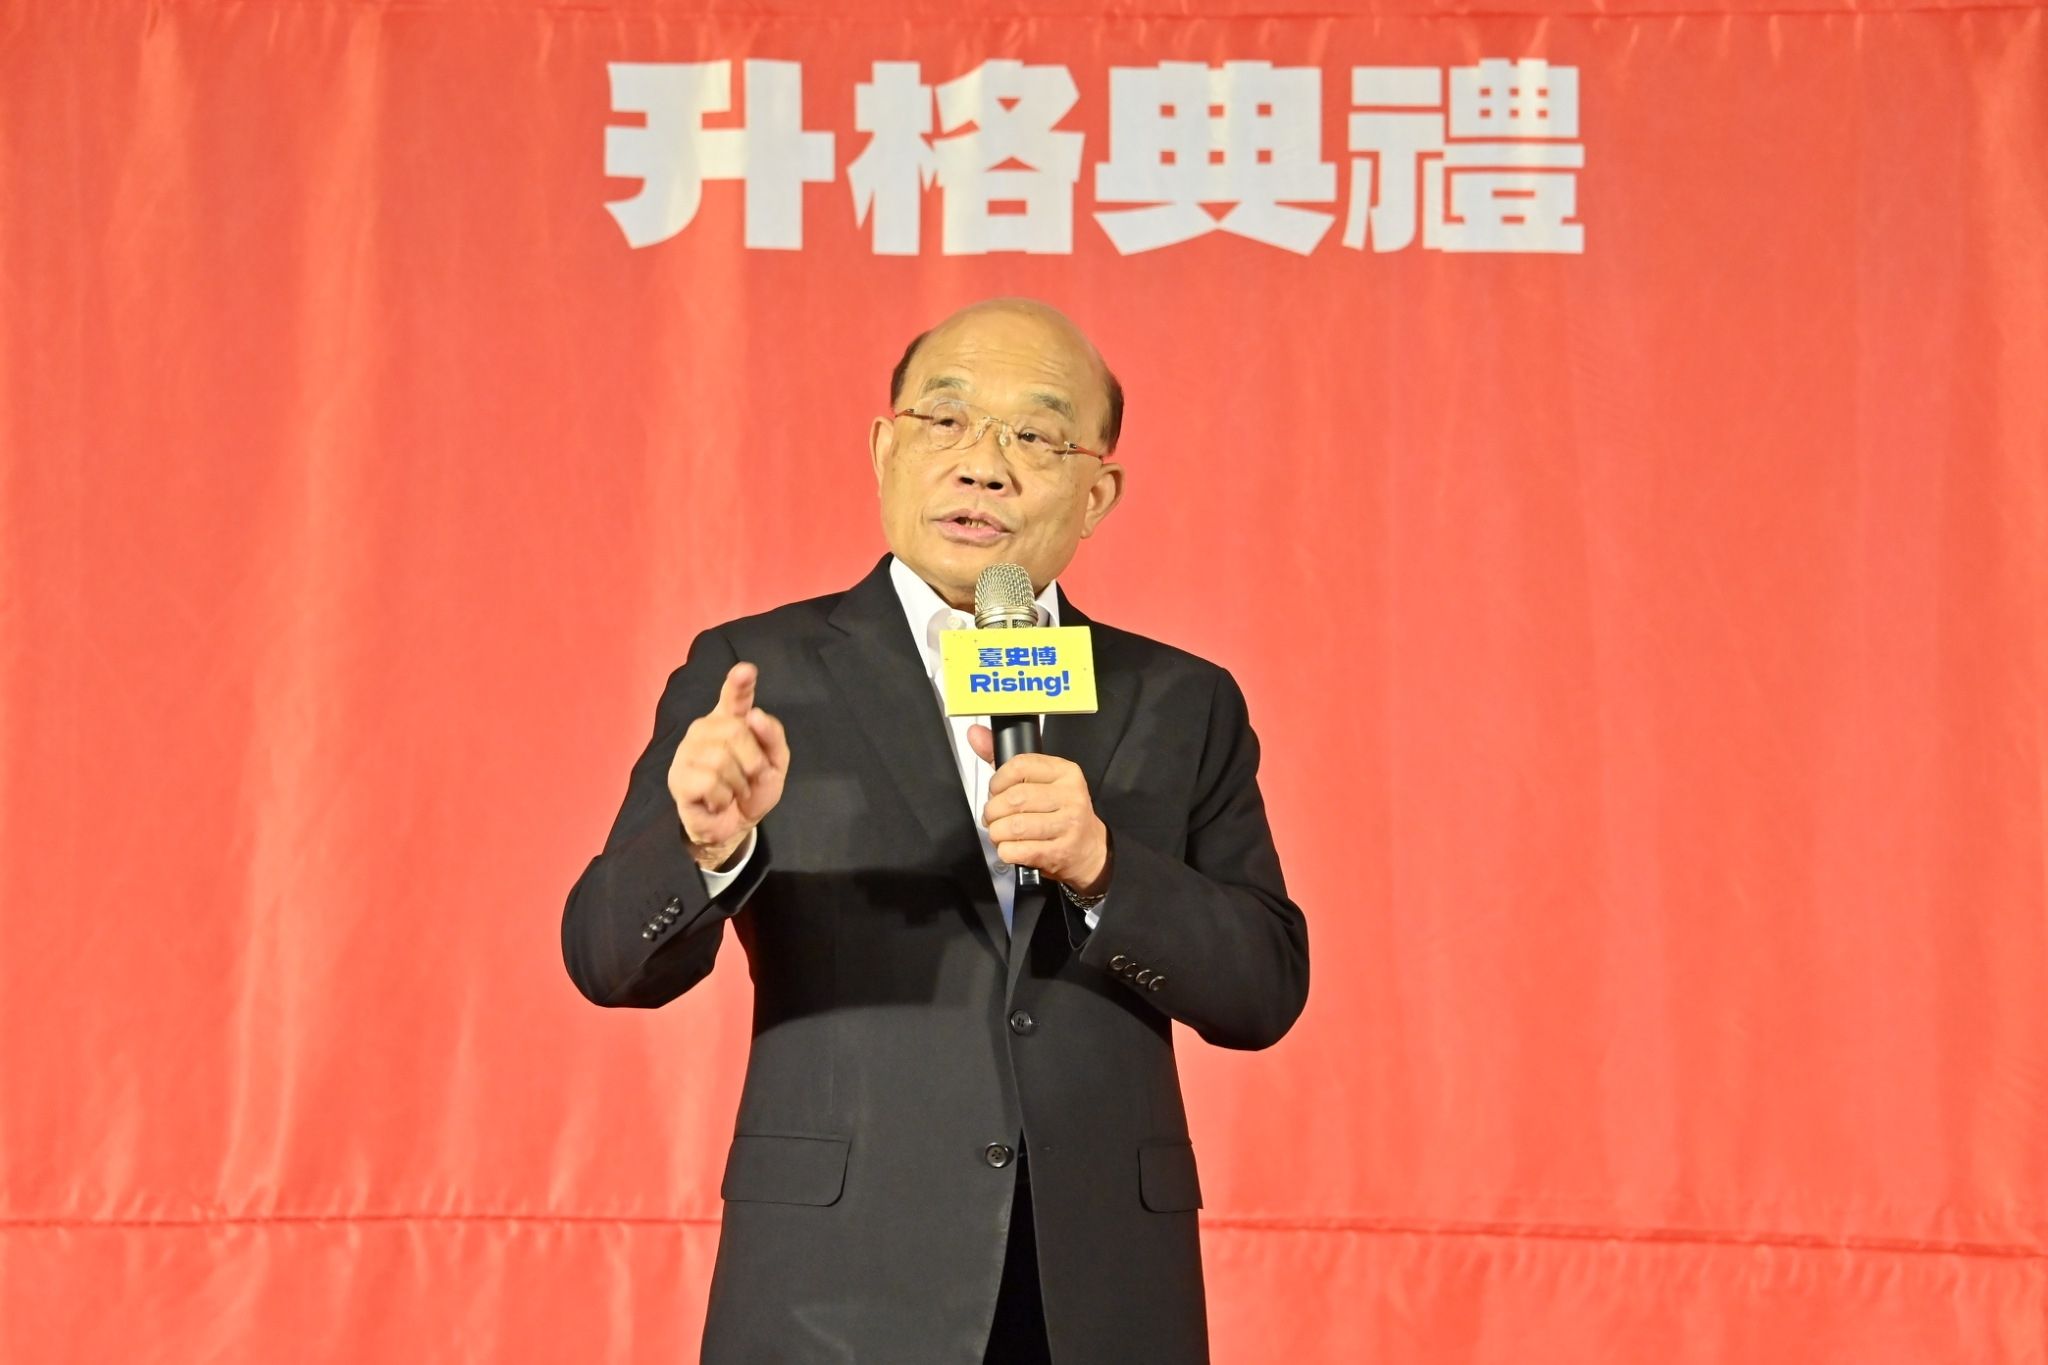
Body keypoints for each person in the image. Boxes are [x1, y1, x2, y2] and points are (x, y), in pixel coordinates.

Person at [561, 297, 1309, 1365]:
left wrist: (1103, 868)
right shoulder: (759, 672)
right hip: (834, 1289)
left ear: (1096, 493)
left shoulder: (1180, 698)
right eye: (946, 421)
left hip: (1097, 1290)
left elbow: (1262, 989)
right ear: (884, 450)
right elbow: (605, 959)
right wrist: (705, 849)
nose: (983, 466)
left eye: (1035, 435)